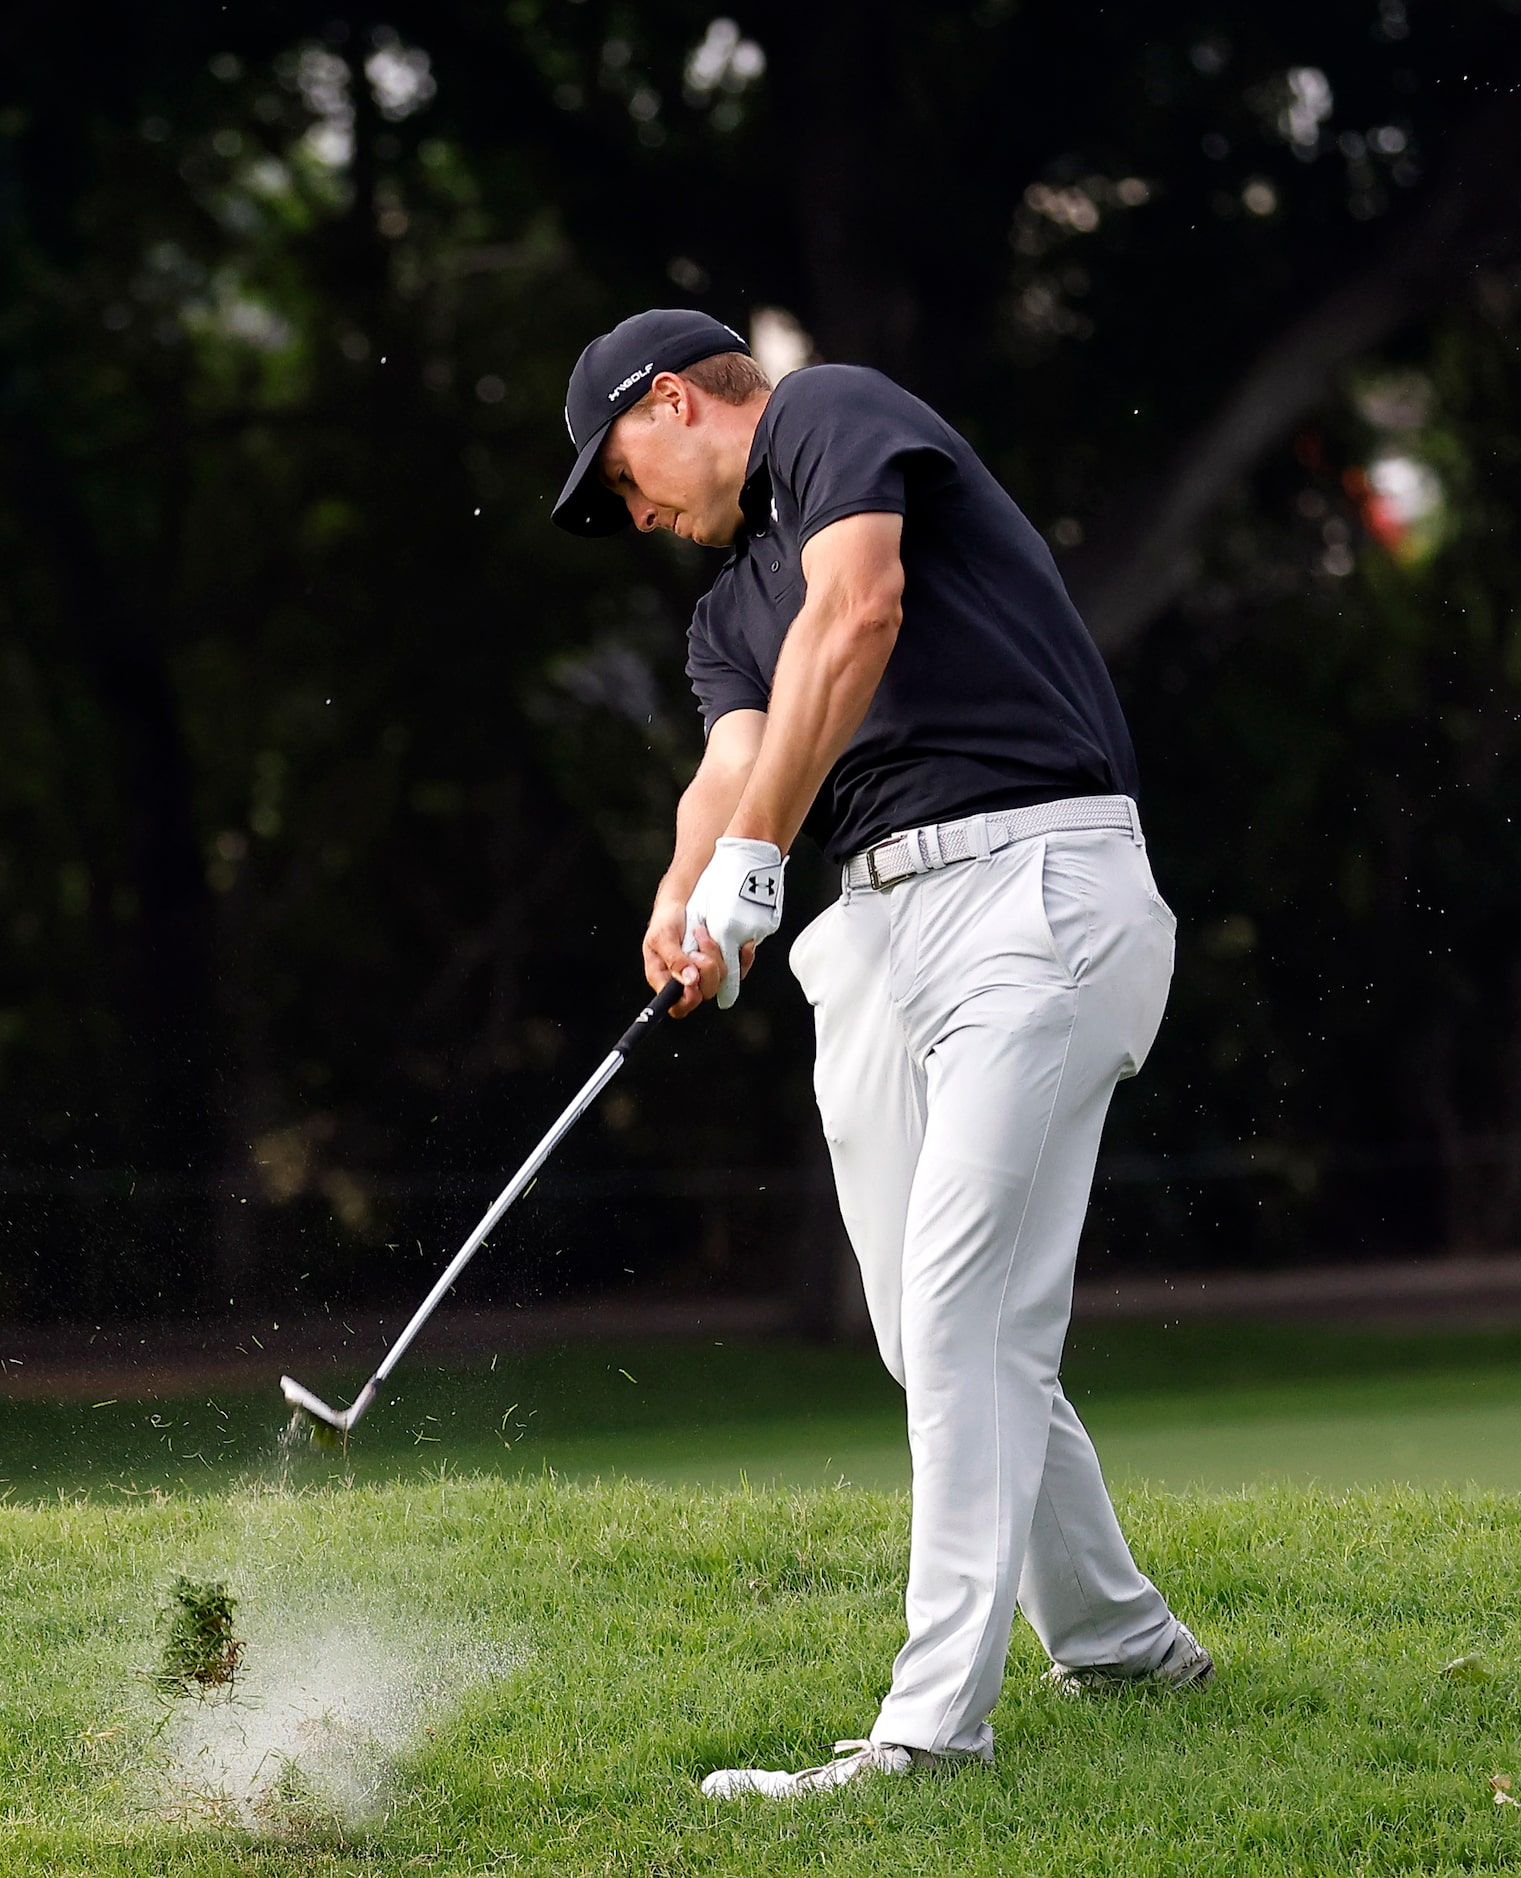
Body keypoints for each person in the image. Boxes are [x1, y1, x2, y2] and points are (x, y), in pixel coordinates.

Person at [548, 309, 1211, 1796]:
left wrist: (756, 860)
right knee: (925, 1333)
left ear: (674, 399)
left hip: (1029, 886)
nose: (630, 512)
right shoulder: (722, 611)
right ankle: (1116, 1635)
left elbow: (858, 614)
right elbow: (726, 769)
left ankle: (928, 1731)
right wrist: (682, 904)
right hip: (870, 936)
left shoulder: (829, 413)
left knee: (970, 1306)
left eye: (622, 475)